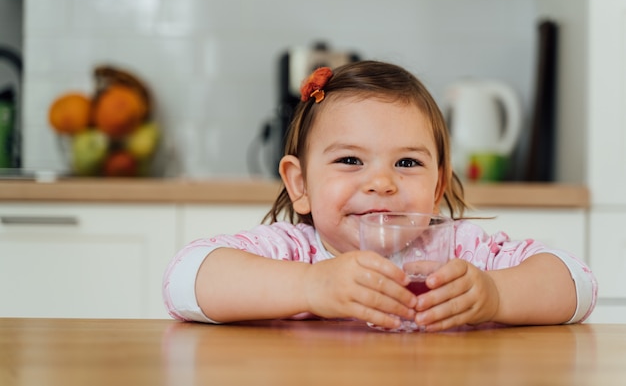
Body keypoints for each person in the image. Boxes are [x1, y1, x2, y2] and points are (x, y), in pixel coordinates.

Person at [163, 60, 597, 332]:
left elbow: (578, 284)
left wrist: (496, 294)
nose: (381, 184)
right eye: (351, 160)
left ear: (438, 187)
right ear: (300, 185)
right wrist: (311, 286)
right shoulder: (290, 251)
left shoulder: (461, 253)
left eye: (407, 164)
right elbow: (182, 280)